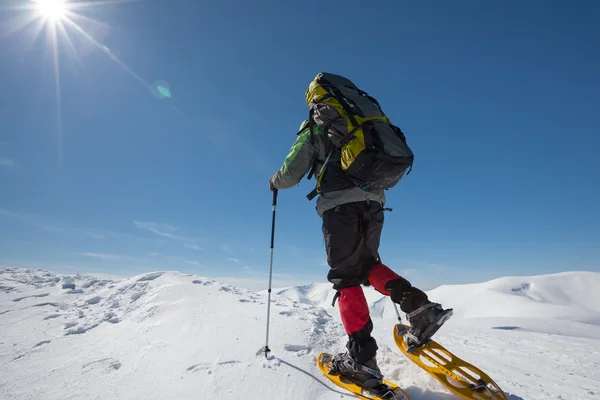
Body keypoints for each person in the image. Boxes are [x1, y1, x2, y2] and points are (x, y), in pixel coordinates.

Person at [269, 90, 451, 395]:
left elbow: (290, 175)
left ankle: (361, 361)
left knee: (346, 277)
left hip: (341, 208)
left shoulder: (317, 125)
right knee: (368, 266)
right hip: (374, 205)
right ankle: (421, 310)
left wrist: (274, 181)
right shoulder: (365, 122)